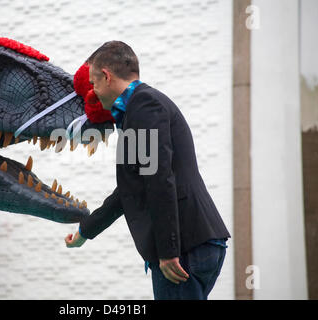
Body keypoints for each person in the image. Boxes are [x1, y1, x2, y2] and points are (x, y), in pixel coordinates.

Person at [64, 41, 231, 300]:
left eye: (94, 82)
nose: (94, 92)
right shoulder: (141, 106)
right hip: (194, 244)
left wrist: (167, 250)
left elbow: (159, 178)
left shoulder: (143, 105)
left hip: (184, 248)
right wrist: (86, 230)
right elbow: (130, 190)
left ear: (106, 77)